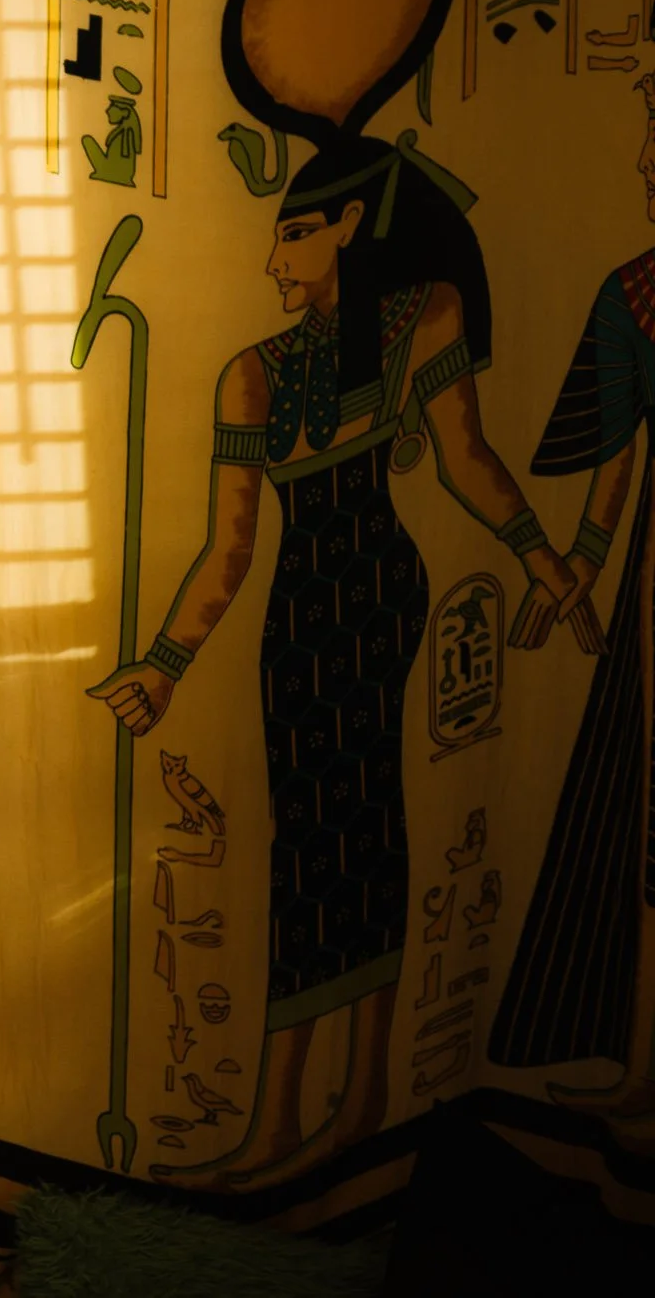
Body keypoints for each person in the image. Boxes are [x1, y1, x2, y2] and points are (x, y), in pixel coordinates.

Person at [87, 133, 584, 1189]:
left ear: (350, 225)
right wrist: (166, 662)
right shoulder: (250, 375)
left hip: (377, 595)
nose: (273, 260)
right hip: (299, 613)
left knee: (365, 831)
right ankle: (283, 1111)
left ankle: (354, 1097)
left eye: (294, 233)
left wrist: (539, 560)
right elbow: (226, 548)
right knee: (305, 844)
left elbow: (465, 460)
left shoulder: (423, 315)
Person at [488, 73, 655, 1149]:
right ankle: (644, 1070)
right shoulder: (637, 289)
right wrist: (579, 568)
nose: (643, 166)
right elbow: (615, 453)